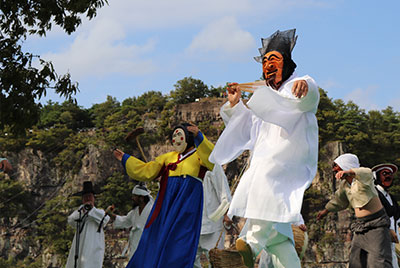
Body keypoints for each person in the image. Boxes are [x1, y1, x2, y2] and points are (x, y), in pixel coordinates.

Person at [209, 29, 319, 268]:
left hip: (286, 161)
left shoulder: (297, 85)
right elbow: (247, 128)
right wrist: (235, 105)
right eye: (266, 61)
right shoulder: (264, 95)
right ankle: (262, 246)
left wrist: (305, 86)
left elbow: (310, 97)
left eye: (274, 60)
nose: (269, 65)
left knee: (266, 181)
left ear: (287, 64)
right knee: (279, 240)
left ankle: (248, 245)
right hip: (263, 161)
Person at [113, 123, 214, 268]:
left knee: (181, 238)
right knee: (159, 236)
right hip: (167, 202)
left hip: (187, 202)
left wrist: (199, 136)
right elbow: (147, 171)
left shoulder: (199, 155)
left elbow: (213, 161)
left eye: (180, 135)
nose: (176, 139)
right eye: (173, 136)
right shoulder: (168, 157)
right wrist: (126, 159)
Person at [317, 153, 392, 267]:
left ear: (345, 165)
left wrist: (348, 172)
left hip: (376, 225)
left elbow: (367, 171)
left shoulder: (364, 179)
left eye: (336, 166)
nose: (334, 169)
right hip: (360, 226)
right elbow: (338, 201)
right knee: (356, 261)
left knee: (378, 261)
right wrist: (324, 212)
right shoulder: (345, 185)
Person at [194, 164, 233, 268]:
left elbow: (223, 190)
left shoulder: (213, 164)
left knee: (216, 262)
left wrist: (227, 214)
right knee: (189, 261)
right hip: (191, 224)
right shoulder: (187, 163)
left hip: (212, 223)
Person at [65, 181, 110, 268]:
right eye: (85, 197)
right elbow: (70, 220)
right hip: (80, 247)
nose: (88, 199)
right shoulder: (80, 212)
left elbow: (105, 220)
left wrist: (91, 210)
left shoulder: (99, 212)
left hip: (93, 248)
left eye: (90, 197)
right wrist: (82, 209)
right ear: (82, 199)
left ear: (94, 198)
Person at [105, 184, 154, 259]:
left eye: (135, 196)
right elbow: (124, 220)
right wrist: (110, 214)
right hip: (134, 248)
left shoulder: (152, 211)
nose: (132, 198)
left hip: (147, 249)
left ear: (141, 198)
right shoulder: (134, 212)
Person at [373, 163, 400, 267]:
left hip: (392, 240)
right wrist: (389, 230)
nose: (388, 176)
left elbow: (397, 216)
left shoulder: (391, 197)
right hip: (381, 236)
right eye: (384, 174)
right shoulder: (375, 193)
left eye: (390, 174)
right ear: (376, 176)